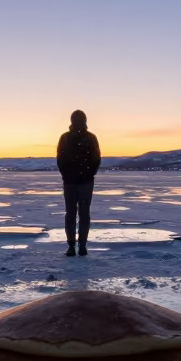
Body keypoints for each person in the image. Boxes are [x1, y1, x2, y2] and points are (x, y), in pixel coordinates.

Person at [56, 109, 101, 256]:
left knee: (82, 213)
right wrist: (67, 175)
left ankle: (81, 245)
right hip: (71, 182)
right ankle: (72, 245)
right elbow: (60, 159)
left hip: (84, 182)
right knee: (72, 213)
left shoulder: (90, 138)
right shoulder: (65, 138)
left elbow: (96, 158)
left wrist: (89, 174)